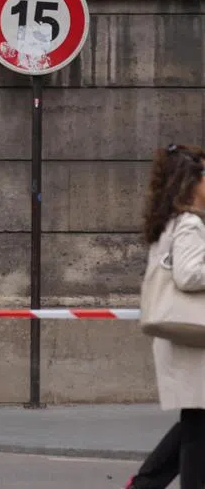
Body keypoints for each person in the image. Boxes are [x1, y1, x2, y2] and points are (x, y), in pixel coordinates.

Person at [127, 144, 205, 489]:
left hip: (184, 335)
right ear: (192, 182)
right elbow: (189, 275)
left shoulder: (170, 222)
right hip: (195, 337)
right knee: (197, 424)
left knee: (196, 421)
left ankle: (144, 484)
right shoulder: (189, 224)